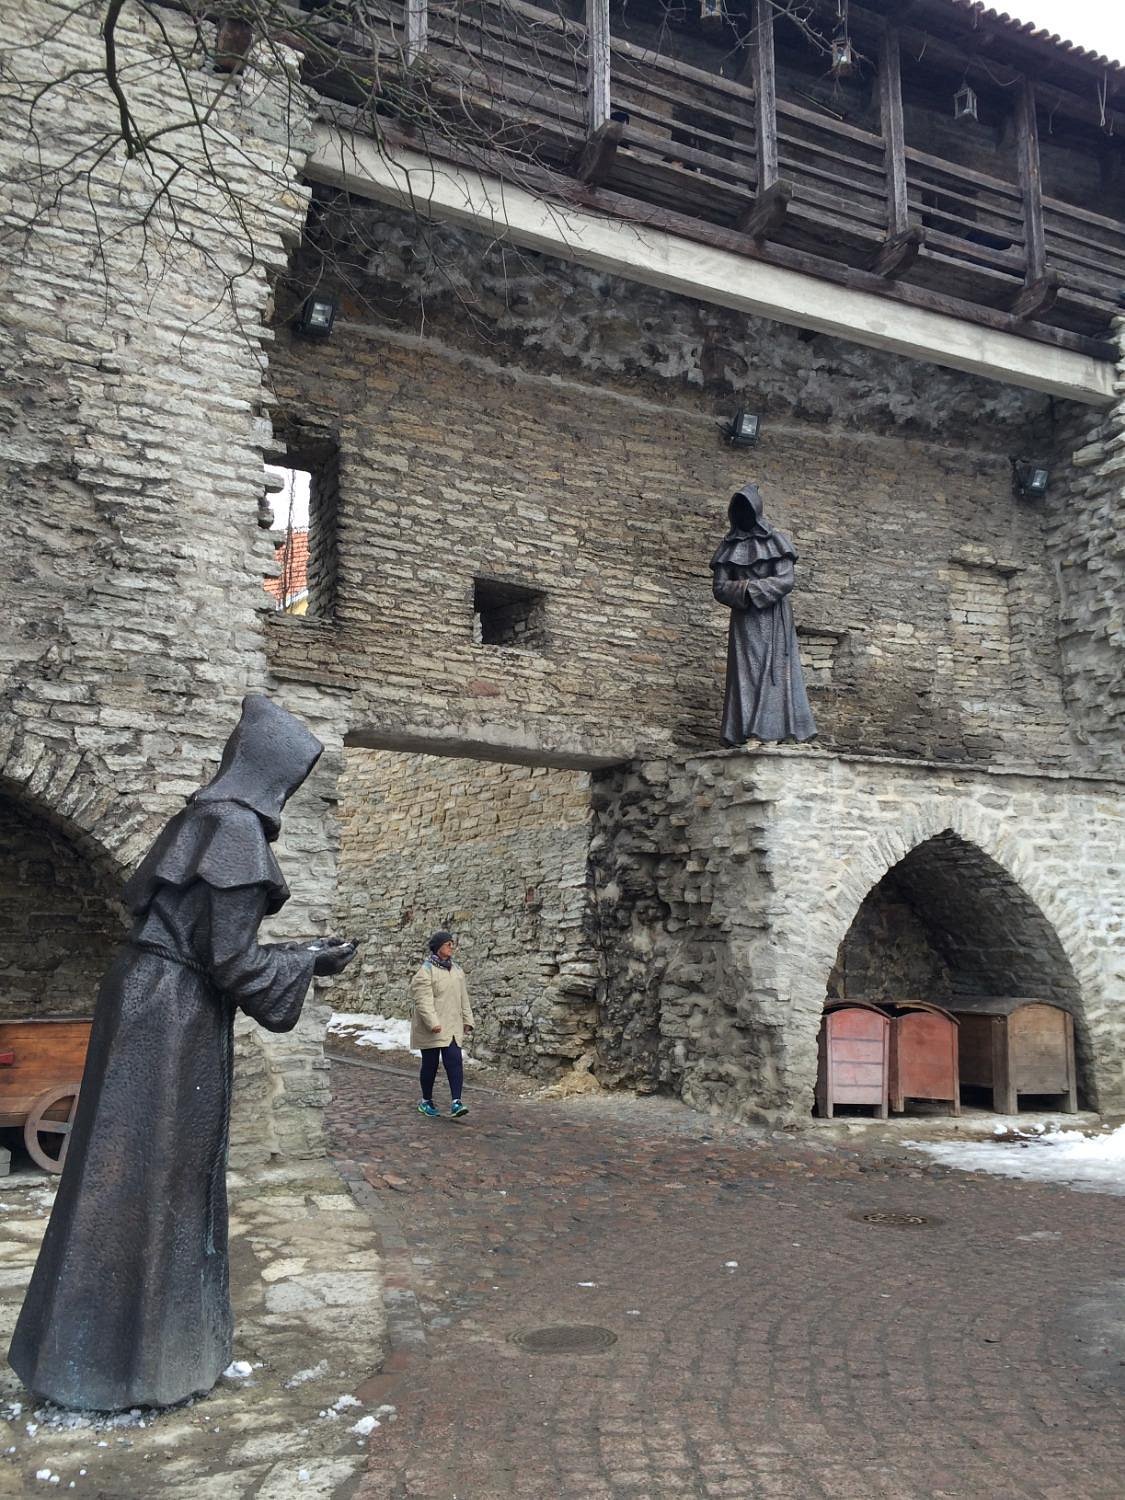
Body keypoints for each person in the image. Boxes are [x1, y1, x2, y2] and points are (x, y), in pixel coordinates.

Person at [8, 695, 357, 1411]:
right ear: (276, 775)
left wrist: (289, 954)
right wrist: (308, 961)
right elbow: (230, 961)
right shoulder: (235, 831)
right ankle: (142, 1364)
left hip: (145, 994)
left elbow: (204, 939)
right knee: (156, 1171)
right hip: (172, 1015)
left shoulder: (202, 818)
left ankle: (91, 1355)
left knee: (117, 1168)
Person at [710, 481, 817, 746]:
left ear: (756, 510)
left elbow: (786, 580)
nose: (744, 515)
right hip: (744, 620)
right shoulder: (729, 546)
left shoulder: (775, 541)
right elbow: (720, 588)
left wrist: (750, 588)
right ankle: (745, 731)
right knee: (745, 674)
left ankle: (775, 731)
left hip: (774, 617)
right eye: (739, 510)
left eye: (748, 509)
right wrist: (744, 591)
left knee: (775, 673)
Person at [410, 931, 474, 1119]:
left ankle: (456, 1102)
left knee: (454, 1061)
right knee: (430, 1065)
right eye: (448, 944)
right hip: (432, 1027)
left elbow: (463, 997)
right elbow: (423, 1000)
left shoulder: (457, 970)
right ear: (438, 947)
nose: (451, 947)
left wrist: (467, 1020)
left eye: (452, 943)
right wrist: (433, 1023)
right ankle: (426, 1101)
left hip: (452, 1025)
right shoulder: (426, 971)